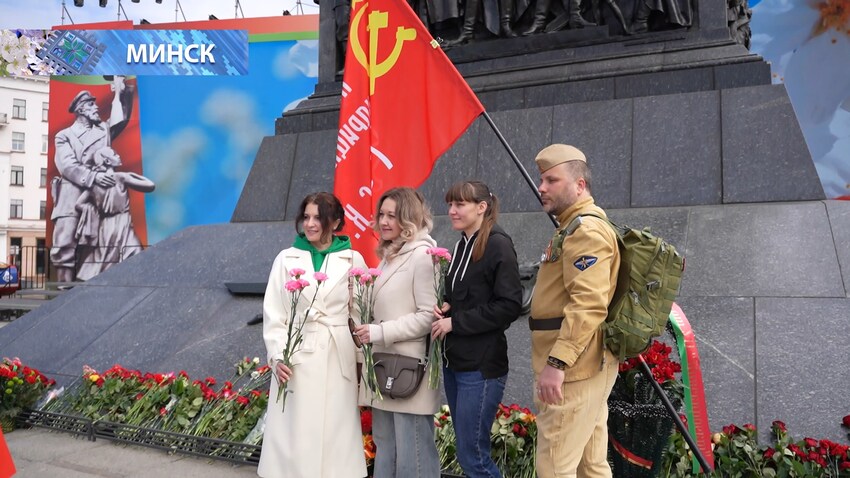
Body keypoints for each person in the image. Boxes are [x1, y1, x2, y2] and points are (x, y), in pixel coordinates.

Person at [258, 192, 368, 478]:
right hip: (297, 357)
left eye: (318, 217)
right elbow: (275, 313)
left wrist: (361, 361)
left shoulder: (353, 259)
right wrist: (278, 356)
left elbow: (361, 313)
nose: (310, 224)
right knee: (296, 431)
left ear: (335, 222)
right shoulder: (286, 259)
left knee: (337, 430)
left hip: (337, 354)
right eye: (306, 217)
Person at [529, 144, 621, 478]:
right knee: (590, 466)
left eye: (552, 180)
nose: (542, 187)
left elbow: (589, 304)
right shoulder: (572, 227)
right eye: (542, 180)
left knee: (554, 467)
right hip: (580, 365)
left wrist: (557, 363)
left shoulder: (586, 230)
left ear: (579, 185)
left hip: (573, 370)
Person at [431, 181, 522, 478]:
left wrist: (455, 322)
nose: (452, 211)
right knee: (469, 452)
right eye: (450, 204)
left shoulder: (497, 243)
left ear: (481, 207)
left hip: (481, 368)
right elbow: (468, 295)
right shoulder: (461, 244)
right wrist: (447, 306)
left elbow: (509, 305)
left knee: (474, 457)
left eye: (460, 205)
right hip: (456, 362)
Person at [352, 187, 440, 478]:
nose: (385, 221)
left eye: (393, 215)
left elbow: (428, 317)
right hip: (385, 367)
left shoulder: (423, 256)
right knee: (386, 446)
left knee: (413, 454)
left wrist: (379, 332)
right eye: (382, 214)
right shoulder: (390, 256)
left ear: (409, 218)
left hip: (408, 370)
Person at [50, 76, 133, 283]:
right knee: (64, 244)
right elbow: (67, 165)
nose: (96, 107)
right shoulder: (65, 135)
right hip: (71, 194)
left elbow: (120, 118)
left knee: (99, 246)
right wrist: (94, 176)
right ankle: (62, 294)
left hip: (100, 196)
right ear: (80, 110)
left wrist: (120, 90)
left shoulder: (102, 130)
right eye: (91, 105)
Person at [74, 147, 155, 280]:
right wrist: (131, 175)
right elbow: (150, 185)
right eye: (114, 154)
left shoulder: (94, 184)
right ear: (106, 160)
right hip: (122, 223)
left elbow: (79, 204)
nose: (118, 156)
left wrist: (94, 211)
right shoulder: (121, 177)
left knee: (105, 257)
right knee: (133, 251)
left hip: (105, 225)